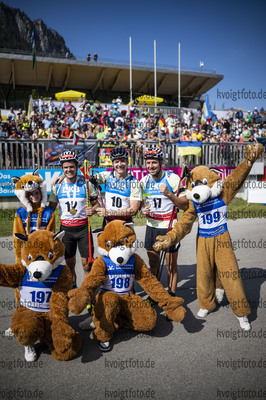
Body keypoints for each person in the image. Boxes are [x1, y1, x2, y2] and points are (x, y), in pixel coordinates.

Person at [139, 148, 188, 301]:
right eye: (148, 163)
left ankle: (172, 297)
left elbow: (184, 205)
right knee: (153, 263)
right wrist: (143, 211)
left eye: (154, 162)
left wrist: (169, 194)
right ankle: (156, 295)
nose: (151, 166)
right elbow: (141, 204)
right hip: (151, 226)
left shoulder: (172, 179)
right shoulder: (144, 181)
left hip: (169, 227)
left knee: (170, 266)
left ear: (161, 163)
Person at [49, 151, 100, 287]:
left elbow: (97, 205)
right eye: (65, 167)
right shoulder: (57, 186)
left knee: (86, 265)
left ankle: (87, 293)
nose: (68, 170)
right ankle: (73, 288)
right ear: (62, 168)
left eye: (71, 167)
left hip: (83, 229)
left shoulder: (86, 183)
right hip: (66, 230)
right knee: (70, 264)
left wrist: (93, 210)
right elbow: (50, 210)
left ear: (77, 167)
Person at [92, 146, 141, 226]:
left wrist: (109, 212)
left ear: (127, 162)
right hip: (108, 221)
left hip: (125, 223)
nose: (120, 164)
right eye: (116, 162)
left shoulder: (134, 182)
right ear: (112, 163)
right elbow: (87, 179)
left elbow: (133, 210)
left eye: (122, 161)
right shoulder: (107, 176)